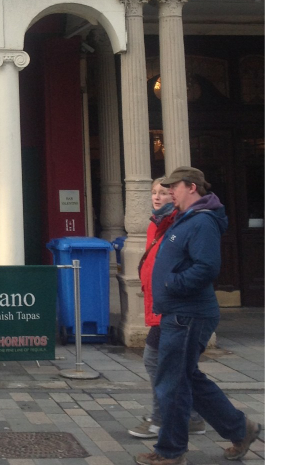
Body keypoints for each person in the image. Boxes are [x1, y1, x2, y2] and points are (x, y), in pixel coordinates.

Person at [135, 167, 262, 465]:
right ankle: (241, 429)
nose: (169, 191)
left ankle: (170, 451)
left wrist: (171, 284)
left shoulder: (202, 221)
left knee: (173, 383)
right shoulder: (185, 218)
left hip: (187, 315)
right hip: (178, 312)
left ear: (191, 187)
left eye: (174, 186)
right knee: (186, 379)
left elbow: (207, 267)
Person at [128, 178, 205, 439]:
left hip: (171, 305)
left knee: (155, 360)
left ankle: (161, 419)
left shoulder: (177, 223)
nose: (157, 197)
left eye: (163, 192)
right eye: (154, 192)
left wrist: (167, 287)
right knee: (177, 366)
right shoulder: (156, 223)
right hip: (159, 302)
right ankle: (191, 417)